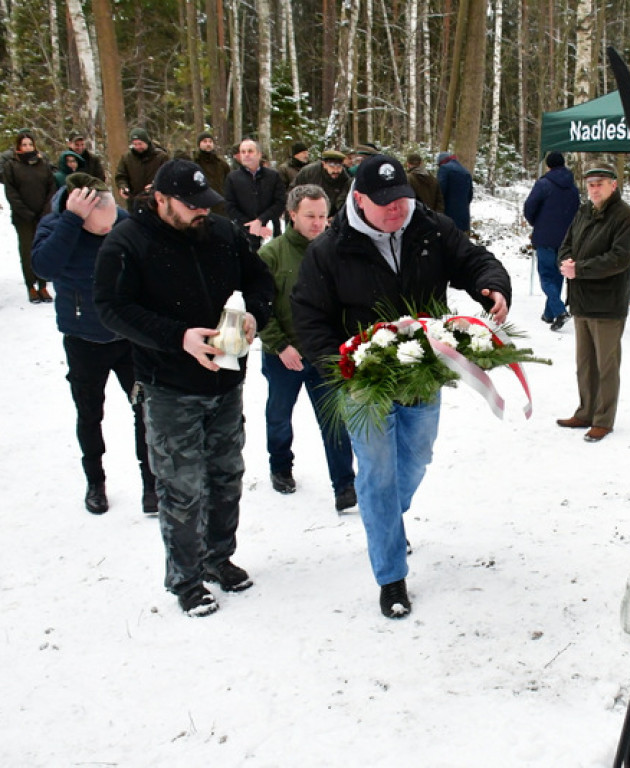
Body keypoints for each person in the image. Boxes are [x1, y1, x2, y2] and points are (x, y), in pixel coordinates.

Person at [291, 154, 511, 619]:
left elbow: (473, 261)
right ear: (358, 200)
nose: (397, 210)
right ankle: (390, 575)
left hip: (421, 372)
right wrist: (343, 365)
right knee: (376, 473)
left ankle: (385, 517)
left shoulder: (430, 227)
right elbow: (309, 317)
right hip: (363, 383)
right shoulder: (329, 250)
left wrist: (492, 284)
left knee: (416, 458)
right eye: (385, 203)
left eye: (403, 199)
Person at [94, 158, 275, 618]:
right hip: (168, 385)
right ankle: (186, 578)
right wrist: (178, 337)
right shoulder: (128, 242)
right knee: (181, 486)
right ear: (159, 199)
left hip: (227, 381)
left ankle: (219, 558)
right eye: (191, 206)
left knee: (226, 476)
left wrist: (255, 313)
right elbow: (111, 308)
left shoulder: (222, 233)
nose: (201, 213)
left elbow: (260, 281)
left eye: (205, 204)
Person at [31, 173, 156, 515]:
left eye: (112, 224)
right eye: (101, 229)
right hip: (83, 337)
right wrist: (70, 223)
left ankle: (152, 483)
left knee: (145, 409)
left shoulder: (122, 221)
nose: (109, 232)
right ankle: (95, 482)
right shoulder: (56, 226)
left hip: (128, 337)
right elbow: (43, 268)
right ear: (79, 213)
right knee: (89, 414)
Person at [258, 184, 357, 510]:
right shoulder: (271, 254)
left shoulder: (338, 252)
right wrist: (280, 345)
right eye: (310, 216)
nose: (318, 223)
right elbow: (257, 307)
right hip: (283, 355)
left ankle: (345, 485)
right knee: (279, 415)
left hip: (324, 355)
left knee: (334, 421)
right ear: (292, 215)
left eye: (322, 216)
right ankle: (281, 466)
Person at [556, 161, 630, 443]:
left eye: (600, 184)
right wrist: (565, 262)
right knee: (585, 363)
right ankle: (585, 411)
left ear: (613, 185)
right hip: (581, 299)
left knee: (606, 365)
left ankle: (603, 419)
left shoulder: (625, 217)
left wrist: (579, 269)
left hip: (607, 303)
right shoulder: (584, 211)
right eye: (590, 184)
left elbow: (619, 258)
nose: (594, 189)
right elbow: (566, 243)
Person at [523, 151, 579, 331]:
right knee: (558, 275)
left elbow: (529, 207)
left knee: (546, 276)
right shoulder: (572, 187)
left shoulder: (543, 184)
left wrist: (536, 223)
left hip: (546, 237)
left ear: (548, 165)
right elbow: (577, 211)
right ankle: (549, 314)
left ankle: (560, 311)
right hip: (566, 239)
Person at [3, 130, 57, 304]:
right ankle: (31, 286)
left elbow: (51, 187)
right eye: (24, 145)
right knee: (27, 251)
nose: (27, 148)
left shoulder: (43, 163)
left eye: (30, 144)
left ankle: (43, 285)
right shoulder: (11, 166)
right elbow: (11, 193)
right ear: (19, 146)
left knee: (43, 249)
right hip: (23, 217)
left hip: (43, 215)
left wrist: (45, 211)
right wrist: (26, 213)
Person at [223, 138, 286, 251]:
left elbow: (280, 202)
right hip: (244, 234)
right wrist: (251, 227)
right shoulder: (232, 178)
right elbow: (230, 206)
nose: (246, 155)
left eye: (250, 151)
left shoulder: (273, 176)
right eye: (243, 152)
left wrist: (261, 220)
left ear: (259, 154)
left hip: (270, 231)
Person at [114, 127, 169, 211]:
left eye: (140, 143)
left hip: (156, 201)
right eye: (135, 144)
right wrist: (123, 186)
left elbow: (167, 176)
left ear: (146, 142)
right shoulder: (127, 158)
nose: (137, 147)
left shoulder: (161, 157)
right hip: (135, 202)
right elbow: (121, 176)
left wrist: (155, 186)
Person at [291, 149, 350, 217]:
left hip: (331, 217)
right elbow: (294, 193)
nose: (336, 170)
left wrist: (335, 218)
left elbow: (344, 202)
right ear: (324, 164)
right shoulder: (309, 172)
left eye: (339, 166)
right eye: (332, 165)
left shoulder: (344, 178)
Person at [436, 151, 473, 232]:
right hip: (463, 217)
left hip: (448, 216)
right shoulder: (465, 171)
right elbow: (470, 196)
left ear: (441, 162)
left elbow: (440, 191)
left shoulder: (444, 169)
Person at [193, 131, 231, 197]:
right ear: (199, 144)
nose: (208, 144)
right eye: (205, 141)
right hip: (201, 202)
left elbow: (229, 184)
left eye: (210, 141)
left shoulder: (222, 165)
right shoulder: (194, 165)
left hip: (220, 202)